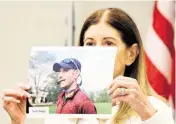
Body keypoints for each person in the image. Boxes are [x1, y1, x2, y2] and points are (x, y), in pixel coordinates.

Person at [2, 8, 174, 124]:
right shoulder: (62, 111)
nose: (97, 51)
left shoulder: (155, 109)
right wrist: (19, 121)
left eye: (108, 43)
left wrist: (146, 112)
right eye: (90, 44)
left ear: (131, 54)